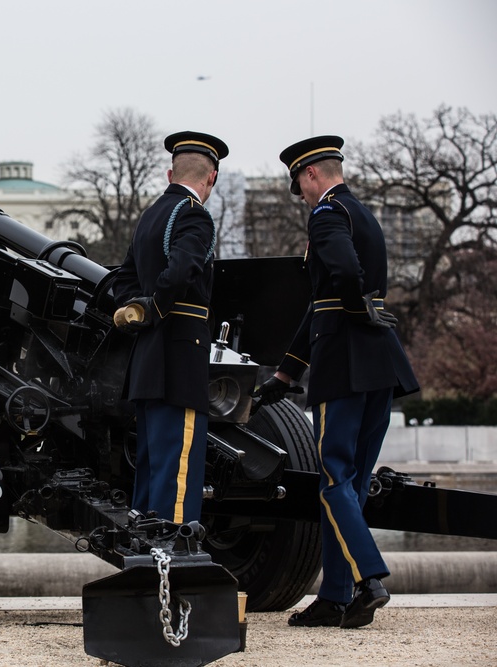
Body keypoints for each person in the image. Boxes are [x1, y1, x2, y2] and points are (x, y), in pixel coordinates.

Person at [254, 135, 419, 629]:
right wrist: (286, 373)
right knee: (351, 483)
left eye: (299, 186)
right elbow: (322, 303)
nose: (302, 196)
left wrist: (352, 305)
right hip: (378, 366)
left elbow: (341, 282)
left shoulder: (327, 214)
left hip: (343, 364)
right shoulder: (365, 215)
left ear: (310, 175)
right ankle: (334, 595)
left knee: (332, 478)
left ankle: (369, 579)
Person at [112, 130, 229, 525]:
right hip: (180, 356)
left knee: (152, 464)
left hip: (147, 358)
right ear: (211, 177)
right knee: (178, 469)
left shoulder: (149, 218)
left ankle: (147, 551)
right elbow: (181, 271)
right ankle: (174, 558)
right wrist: (158, 306)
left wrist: (139, 310)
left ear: (169, 174)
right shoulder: (193, 215)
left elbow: (124, 279)